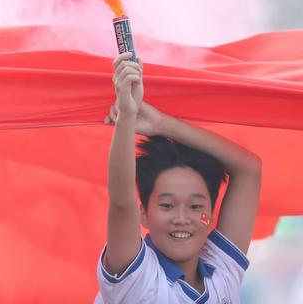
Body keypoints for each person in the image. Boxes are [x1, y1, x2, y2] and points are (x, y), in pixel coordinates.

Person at [95, 52, 262, 303]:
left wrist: (161, 124)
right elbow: (121, 204)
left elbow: (249, 168)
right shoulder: (138, 279)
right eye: (167, 205)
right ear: (143, 213)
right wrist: (127, 118)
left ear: (210, 216)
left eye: (196, 207)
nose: (182, 219)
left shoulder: (223, 272)